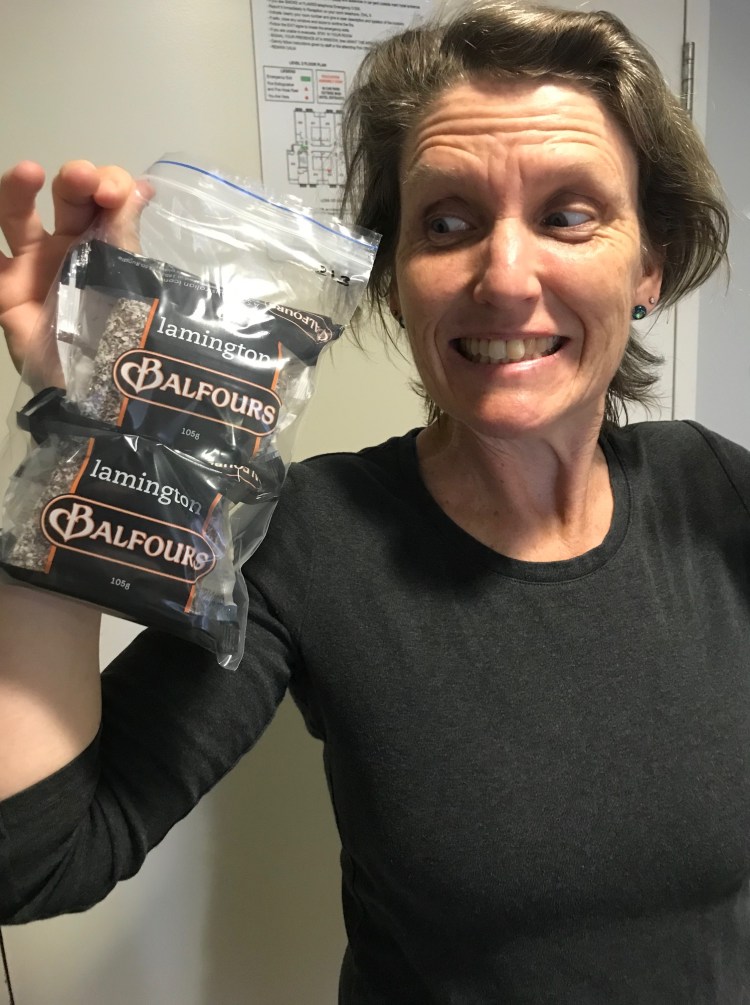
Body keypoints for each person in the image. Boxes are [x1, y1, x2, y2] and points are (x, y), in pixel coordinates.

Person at [0, 0, 742, 1000]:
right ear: (397, 281)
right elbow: (38, 856)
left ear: (648, 265)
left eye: (569, 214)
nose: (505, 276)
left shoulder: (717, 492)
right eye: (448, 222)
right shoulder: (313, 537)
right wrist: (81, 424)